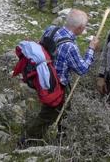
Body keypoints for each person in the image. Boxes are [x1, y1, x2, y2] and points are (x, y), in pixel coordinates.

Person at [23, 9, 99, 141]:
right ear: (80, 28)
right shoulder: (70, 46)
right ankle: (27, 141)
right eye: (85, 26)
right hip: (57, 86)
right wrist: (91, 49)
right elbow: (81, 69)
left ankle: (62, 136)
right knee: (47, 115)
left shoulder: (51, 29)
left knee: (64, 111)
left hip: (43, 78)